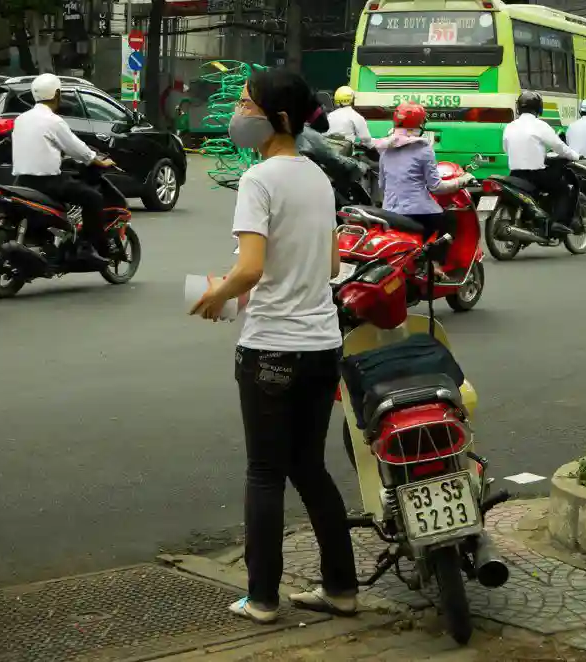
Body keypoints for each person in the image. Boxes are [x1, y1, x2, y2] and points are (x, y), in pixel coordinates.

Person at [190, 68, 358, 624]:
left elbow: (253, 267)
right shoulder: (317, 176)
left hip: (271, 349)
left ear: (277, 119)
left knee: (264, 472)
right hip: (322, 346)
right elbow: (332, 264)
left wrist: (219, 294)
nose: (238, 113)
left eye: (246, 103)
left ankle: (261, 597)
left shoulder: (260, 180)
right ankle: (340, 589)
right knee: (310, 468)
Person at [12, 73, 116, 266]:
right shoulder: (54, 121)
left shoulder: (21, 119)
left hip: (21, 181)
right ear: (57, 94)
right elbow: (77, 148)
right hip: (48, 183)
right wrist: (98, 161)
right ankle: (88, 247)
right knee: (93, 198)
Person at [375, 101, 474, 276]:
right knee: (450, 220)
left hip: (389, 211)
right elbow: (435, 187)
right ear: (419, 124)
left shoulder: (385, 149)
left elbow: (382, 185)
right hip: (418, 211)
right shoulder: (424, 149)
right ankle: (435, 264)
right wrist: (462, 181)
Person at [503, 91, 580, 235]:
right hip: (535, 175)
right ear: (539, 108)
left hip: (514, 174)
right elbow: (559, 147)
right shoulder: (540, 126)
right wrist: (575, 155)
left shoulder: (510, 126)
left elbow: (506, 148)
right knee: (565, 187)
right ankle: (559, 223)